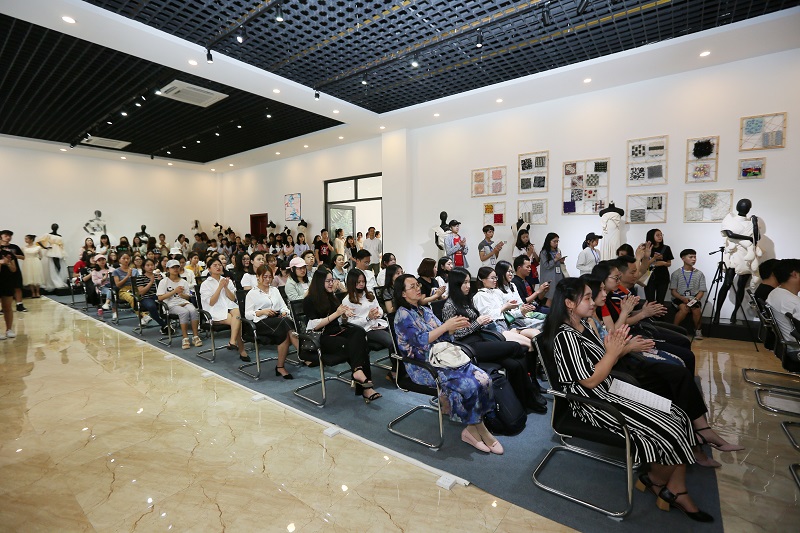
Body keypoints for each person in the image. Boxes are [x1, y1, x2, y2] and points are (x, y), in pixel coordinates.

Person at [543, 277, 713, 522]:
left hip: (610, 389)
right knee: (670, 427)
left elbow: (601, 360)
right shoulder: (565, 336)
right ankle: (661, 483)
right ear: (569, 303)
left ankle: (671, 485)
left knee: (678, 415)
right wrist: (614, 352)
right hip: (593, 403)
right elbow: (589, 381)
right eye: (587, 298)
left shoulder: (583, 325)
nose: (593, 302)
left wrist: (615, 349)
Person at [393, 273, 503, 453]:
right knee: (468, 385)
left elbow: (443, 335)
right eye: (412, 287)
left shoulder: (425, 310)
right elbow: (420, 341)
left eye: (417, 285)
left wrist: (452, 328)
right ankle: (477, 429)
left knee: (483, 378)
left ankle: (473, 427)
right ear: (403, 293)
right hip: (423, 365)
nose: (418, 288)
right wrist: (445, 327)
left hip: (443, 358)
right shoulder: (402, 315)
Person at [443, 267, 546, 413]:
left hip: (480, 339)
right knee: (517, 347)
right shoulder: (449, 305)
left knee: (515, 364)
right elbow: (454, 335)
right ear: (455, 284)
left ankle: (524, 400)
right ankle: (530, 394)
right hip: (467, 346)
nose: (468, 286)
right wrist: (477, 323)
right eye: (464, 283)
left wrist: (480, 322)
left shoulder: (465, 300)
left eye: (468, 282)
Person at [303, 268, 380, 402]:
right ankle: (365, 386)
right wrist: (337, 313)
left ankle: (358, 371)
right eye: (328, 281)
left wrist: (344, 315)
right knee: (354, 345)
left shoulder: (331, 296)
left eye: (332, 280)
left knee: (359, 333)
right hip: (322, 337)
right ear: (319, 282)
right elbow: (313, 325)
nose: (331, 283)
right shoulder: (309, 300)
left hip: (336, 331)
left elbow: (340, 321)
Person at [244, 265, 299, 379]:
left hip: (277, 321)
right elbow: (247, 314)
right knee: (286, 324)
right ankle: (302, 353)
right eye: (265, 277)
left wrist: (284, 312)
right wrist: (261, 312)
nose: (268, 279)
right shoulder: (252, 293)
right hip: (260, 322)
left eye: (270, 277)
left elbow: (284, 307)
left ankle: (280, 367)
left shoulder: (274, 290)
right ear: (258, 277)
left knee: (285, 325)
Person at [473, 266, 540, 349]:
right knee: (530, 343)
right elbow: (487, 317)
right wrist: (504, 307)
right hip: (494, 327)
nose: (495, 280)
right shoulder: (479, 296)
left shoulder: (497, 292)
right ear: (482, 279)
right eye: (492, 278)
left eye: (496, 277)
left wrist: (519, 307)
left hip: (507, 323)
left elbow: (510, 306)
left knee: (536, 334)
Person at [200, 257, 248, 361]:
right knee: (237, 322)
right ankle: (241, 350)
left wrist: (225, 287)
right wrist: (220, 287)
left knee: (238, 313)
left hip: (229, 306)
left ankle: (232, 341)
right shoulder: (205, 284)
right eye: (215, 265)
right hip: (214, 310)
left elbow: (233, 298)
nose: (218, 267)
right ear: (209, 269)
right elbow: (211, 302)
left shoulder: (227, 281)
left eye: (220, 265)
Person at [342, 268, 395, 356]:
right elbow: (350, 323)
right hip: (367, 329)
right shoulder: (347, 301)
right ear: (352, 283)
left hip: (378, 323)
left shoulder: (369, 294)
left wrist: (378, 314)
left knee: (400, 337)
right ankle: (396, 364)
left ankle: (401, 362)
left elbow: (380, 309)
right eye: (358, 282)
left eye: (363, 281)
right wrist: (367, 318)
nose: (361, 284)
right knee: (392, 342)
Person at [157, 259, 202, 348]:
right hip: (170, 304)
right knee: (184, 312)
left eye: (177, 267)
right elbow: (160, 298)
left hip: (183, 302)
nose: (175, 269)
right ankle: (185, 338)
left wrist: (181, 294)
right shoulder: (164, 282)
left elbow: (188, 297)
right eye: (173, 267)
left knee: (193, 311)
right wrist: (174, 291)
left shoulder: (183, 281)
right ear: (168, 269)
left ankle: (195, 336)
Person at [670, 250, 707, 339]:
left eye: (695, 257)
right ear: (683, 258)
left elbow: (701, 291)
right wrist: (683, 299)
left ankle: (698, 330)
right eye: (691, 257)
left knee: (696, 309)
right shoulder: (676, 273)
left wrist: (695, 299)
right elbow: (673, 291)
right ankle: (673, 330)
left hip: (694, 298)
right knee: (684, 309)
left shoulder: (699, 274)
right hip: (680, 298)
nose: (694, 259)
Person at [766, 259, 800, 341]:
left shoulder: (774, 293)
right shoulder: (795, 303)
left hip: (788, 342)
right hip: (795, 344)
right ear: (794, 274)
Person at [135, 259, 171, 334]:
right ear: (143, 267)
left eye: (152, 265)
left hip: (158, 295)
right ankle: (163, 324)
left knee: (169, 303)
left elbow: (165, 288)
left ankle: (166, 324)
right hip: (146, 297)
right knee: (151, 306)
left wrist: (160, 281)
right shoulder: (140, 277)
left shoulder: (158, 276)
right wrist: (151, 282)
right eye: (148, 265)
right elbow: (141, 292)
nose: (150, 267)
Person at [112, 252, 145, 323]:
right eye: (124, 258)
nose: (126, 260)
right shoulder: (116, 271)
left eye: (128, 258)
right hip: (123, 290)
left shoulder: (134, 270)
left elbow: (139, 282)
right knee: (133, 298)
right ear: (119, 260)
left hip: (135, 289)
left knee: (144, 297)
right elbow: (118, 285)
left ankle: (145, 316)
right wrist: (127, 276)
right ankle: (143, 316)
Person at [644, 228, 674, 304]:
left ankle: (659, 312)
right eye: (657, 235)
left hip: (663, 277)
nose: (660, 237)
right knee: (650, 300)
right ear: (651, 236)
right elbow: (643, 264)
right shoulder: (645, 249)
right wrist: (653, 260)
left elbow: (669, 263)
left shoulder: (666, 248)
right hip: (649, 277)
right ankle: (649, 312)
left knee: (660, 300)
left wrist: (663, 263)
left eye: (661, 235)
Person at [539, 232, 566, 306]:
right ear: (549, 241)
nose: (556, 243)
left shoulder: (558, 251)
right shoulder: (544, 252)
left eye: (557, 241)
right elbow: (546, 266)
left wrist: (561, 261)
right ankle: (548, 311)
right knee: (550, 296)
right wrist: (555, 259)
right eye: (554, 241)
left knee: (558, 295)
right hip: (549, 277)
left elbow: (558, 264)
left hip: (558, 276)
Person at [0, 243, 18, 339]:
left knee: (7, 307)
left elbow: (14, 269)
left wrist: (7, 263)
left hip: (7, 283)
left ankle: (9, 329)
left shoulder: (7, 253)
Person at [22, 234, 44, 299]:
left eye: (27, 239)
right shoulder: (23, 248)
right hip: (27, 263)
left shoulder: (38, 247)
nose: (25, 240)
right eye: (25, 239)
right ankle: (33, 293)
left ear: (31, 239)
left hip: (36, 262)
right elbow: (22, 256)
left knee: (37, 276)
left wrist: (37, 260)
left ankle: (38, 292)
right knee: (29, 277)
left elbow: (41, 256)